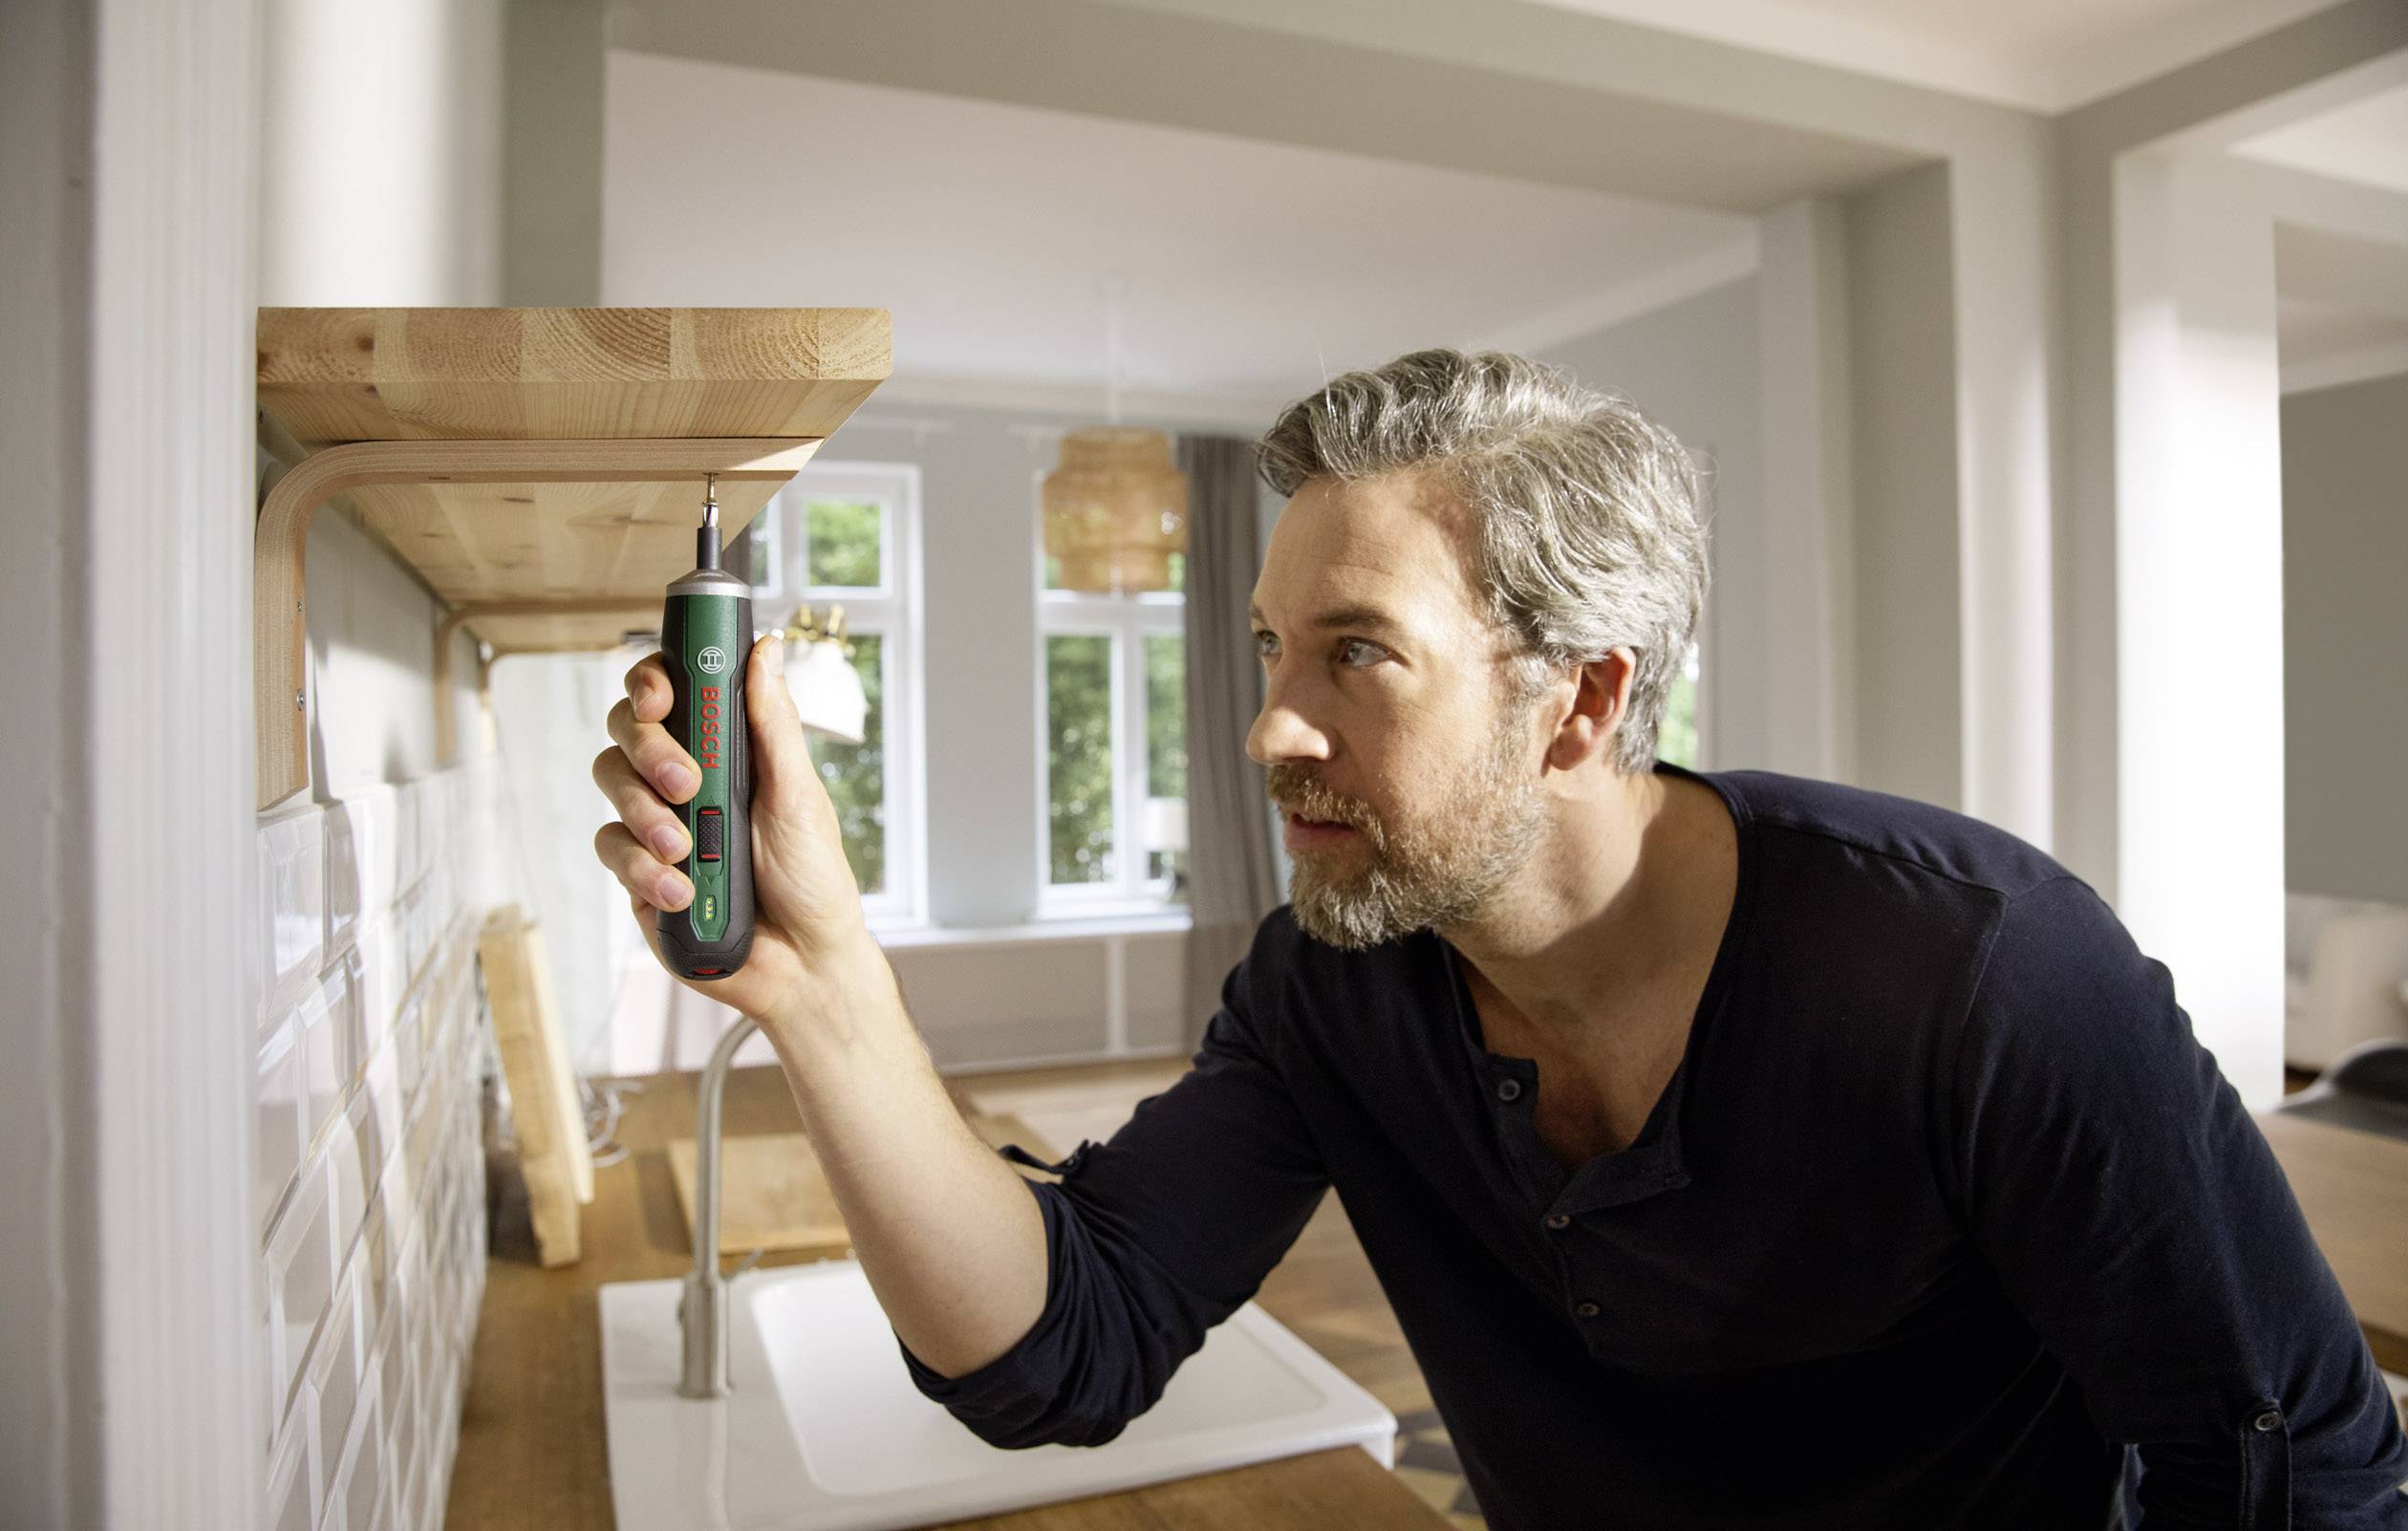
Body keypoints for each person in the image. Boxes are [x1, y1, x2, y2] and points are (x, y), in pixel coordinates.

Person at [591, 349, 2408, 1528]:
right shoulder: (1334, 982)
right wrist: (822, 992)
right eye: (1267, 652)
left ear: (1576, 702)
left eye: (1356, 654)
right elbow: (1065, 1347)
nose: (1269, 729)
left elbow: (2303, 1477)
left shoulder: (1988, 978)